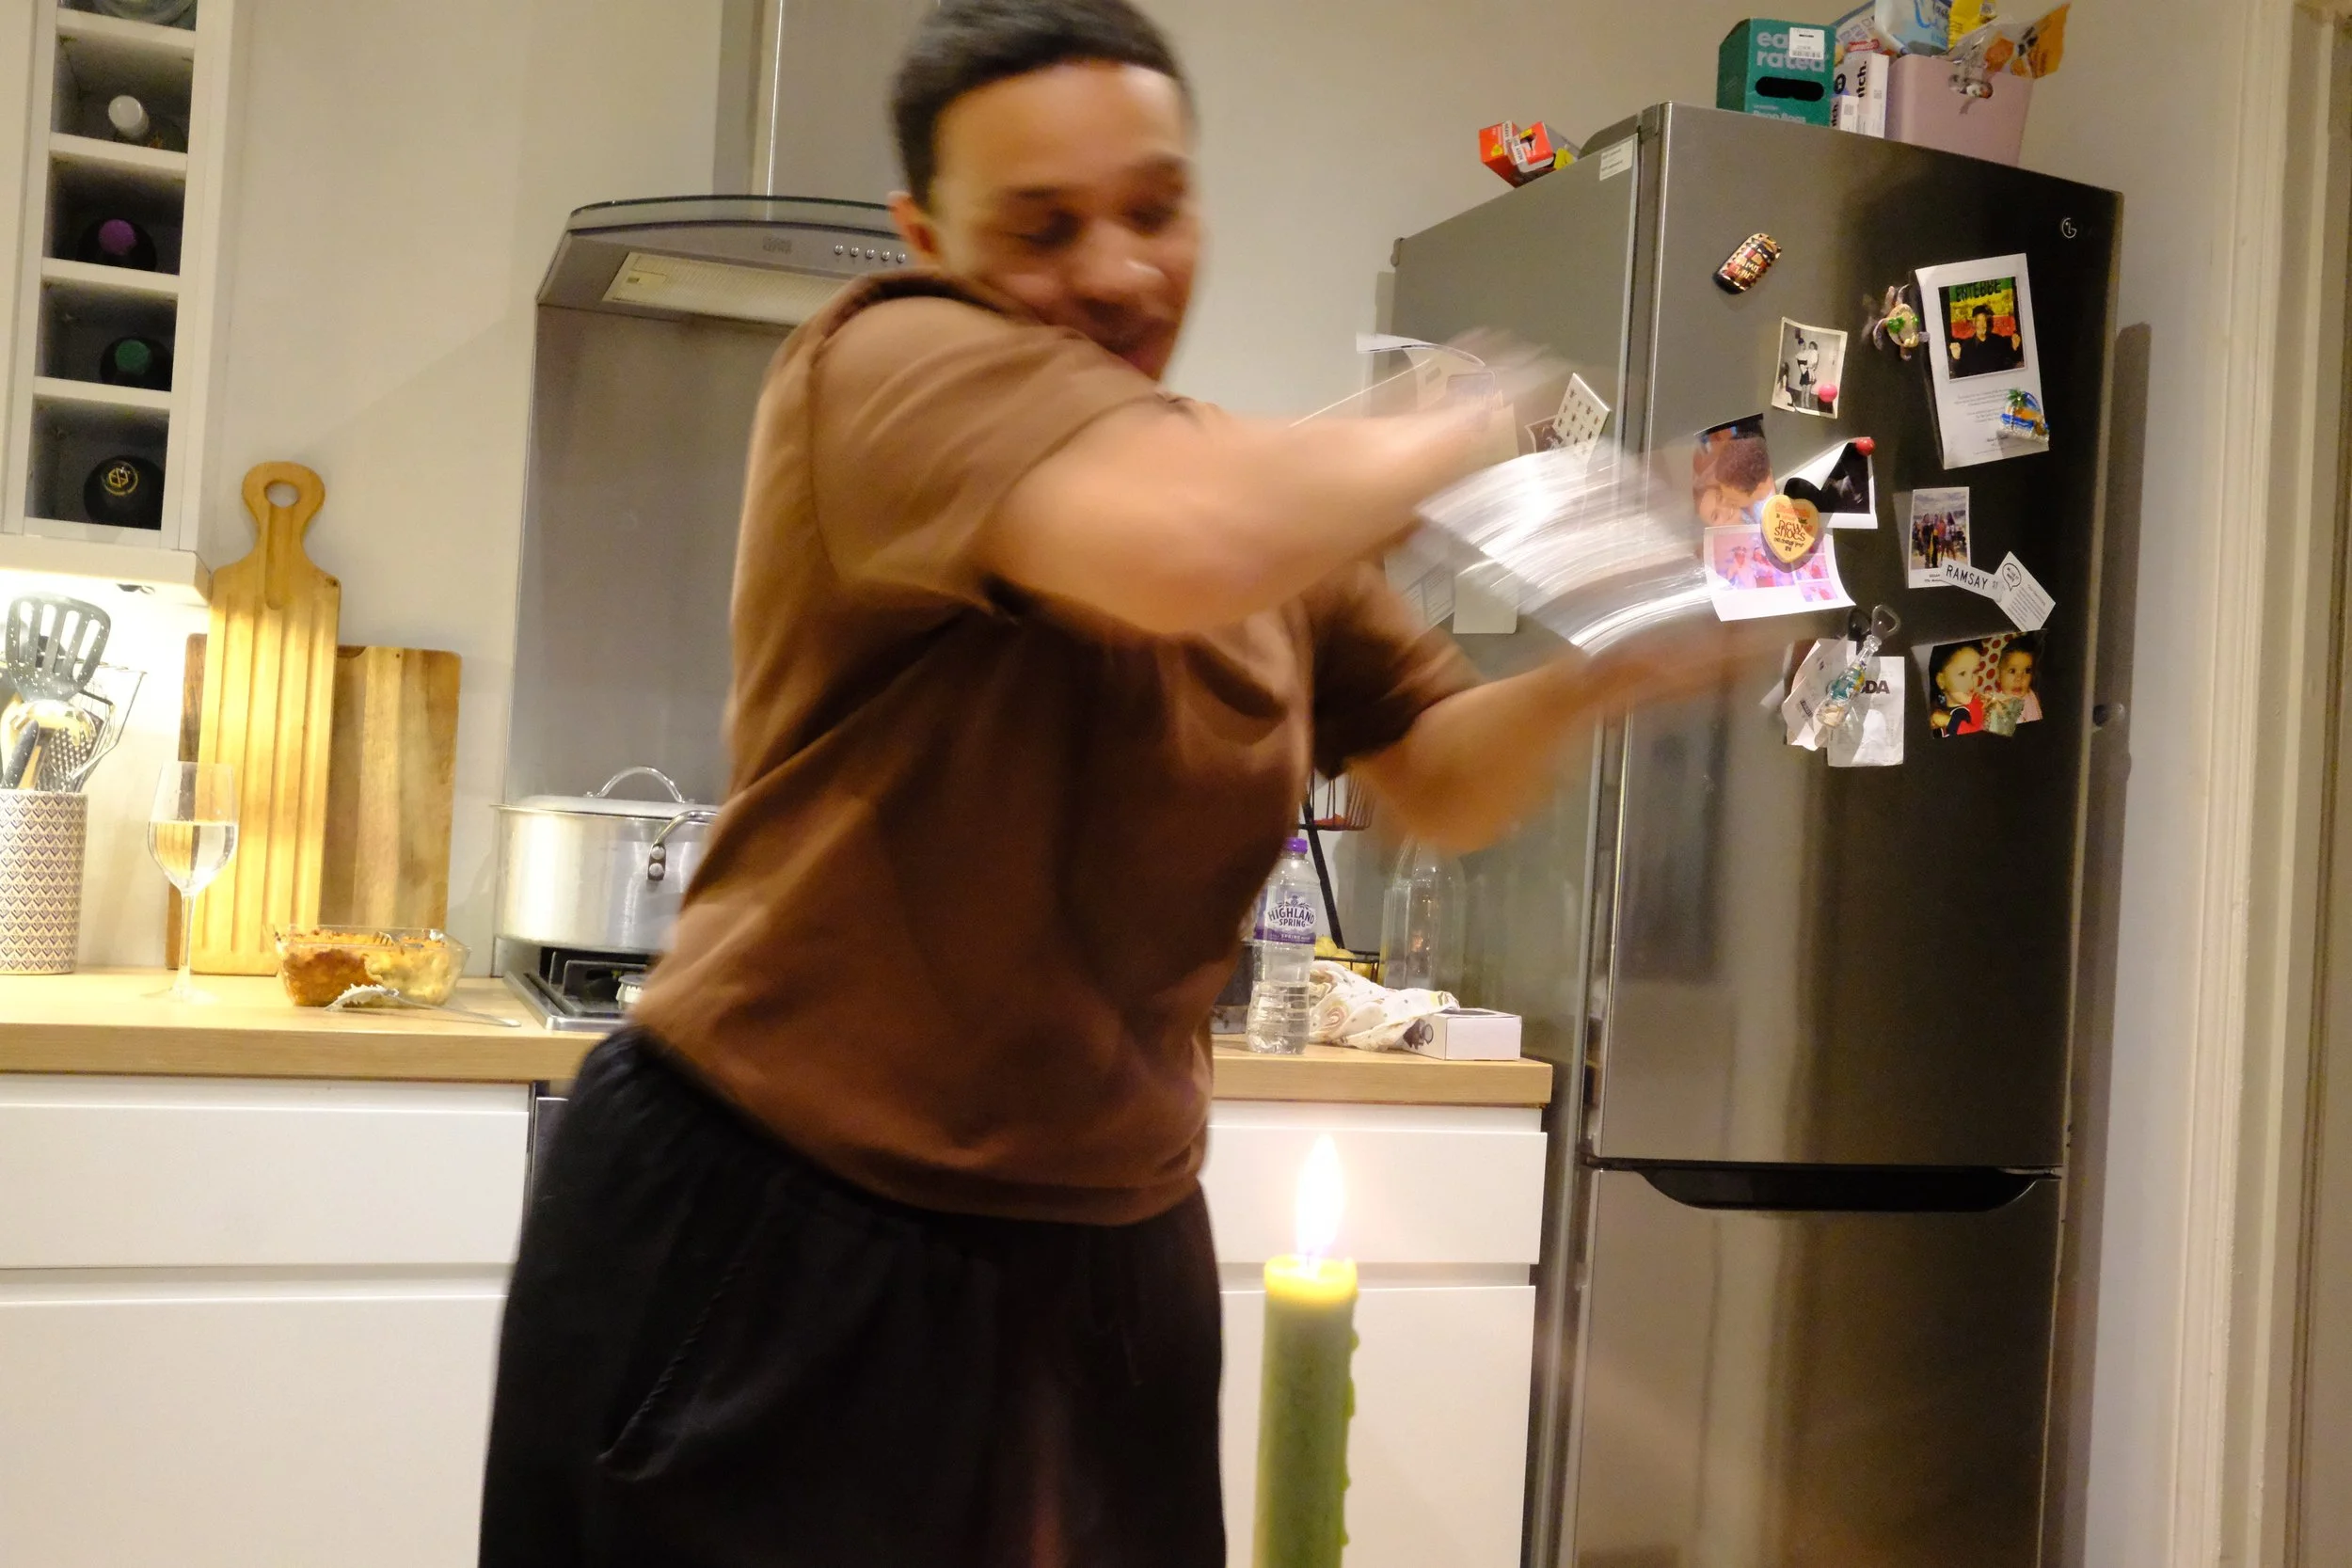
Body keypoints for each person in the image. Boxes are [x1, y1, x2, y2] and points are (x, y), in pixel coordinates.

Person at [477, 4, 1754, 1564]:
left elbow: (1444, 779)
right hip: (780, 1223)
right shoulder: (887, 364)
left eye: (1153, 209)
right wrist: (1474, 411)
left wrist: (1612, 671)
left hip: (1107, 1252)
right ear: (921, 232)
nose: (1117, 269)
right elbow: (1177, 543)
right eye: (1041, 225)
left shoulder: (1252, 506)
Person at [1929, 641, 1987, 736]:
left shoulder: (1981, 706)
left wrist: (1949, 721)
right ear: (1941, 681)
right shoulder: (1935, 707)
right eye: (1962, 673)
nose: (1971, 682)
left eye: (1975, 672)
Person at [1951, 300, 2025, 377]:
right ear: (1974, 323)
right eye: (1979, 320)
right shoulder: (1966, 346)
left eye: (1985, 320)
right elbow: (1960, 374)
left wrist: (2015, 348)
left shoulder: (1998, 340)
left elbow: (2013, 360)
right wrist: (1956, 358)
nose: (1982, 324)